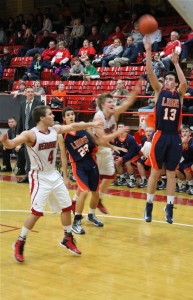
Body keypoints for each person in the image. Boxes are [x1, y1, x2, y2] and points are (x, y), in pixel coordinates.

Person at [0, 105, 103, 262]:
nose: (53, 116)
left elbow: (74, 126)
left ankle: (67, 238)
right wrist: (6, 141)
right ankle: (20, 242)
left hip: (53, 175)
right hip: (39, 177)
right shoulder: (30, 134)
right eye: (50, 114)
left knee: (67, 207)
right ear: (42, 118)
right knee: (36, 212)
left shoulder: (54, 130)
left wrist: (92, 125)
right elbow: (12, 144)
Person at [59, 107, 129, 234]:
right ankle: (77, 221)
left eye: (72, 114)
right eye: (68, 115)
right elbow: (64, 157)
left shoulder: (83, 127)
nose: (71, 116)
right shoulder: (62, 135)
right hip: (78, 165)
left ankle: (91, 215)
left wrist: (112, 146)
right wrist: (65, 176)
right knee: (84, 191)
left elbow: (97, 141)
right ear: (64, 118)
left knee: (96, 193)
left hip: (91, 162)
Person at [143, 37, 187, 224]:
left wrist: (176, 64)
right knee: (155, 172)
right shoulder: (158, 91)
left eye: (171, 80)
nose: (169, 81)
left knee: (171, 173)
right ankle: (149, 205)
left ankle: (169, 206)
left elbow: (184, 83)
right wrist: (148, 51)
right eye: (167, 79)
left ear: (174, 83)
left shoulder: (179, 94)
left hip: (174, 137)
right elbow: (150, 72)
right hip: (160, 135)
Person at [93, 81, 141, 213]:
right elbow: (102, 139)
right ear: (102, 105)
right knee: (90, 184)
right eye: (109, 102)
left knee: (110, 175)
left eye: (113, 101)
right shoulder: (98, 117)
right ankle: (75, 204)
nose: (113, 104)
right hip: (93, 151)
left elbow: (127, 103)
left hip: (106, 149)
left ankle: (98, 200)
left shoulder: (114, 113)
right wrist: (118, 132)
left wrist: (135, 92)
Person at [16, 87, 44, 183]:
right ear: (25, 93)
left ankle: (37, 176)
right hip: (25, 133)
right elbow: (21, 119)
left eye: (32, 92)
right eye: (28, 92)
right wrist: (18, 134)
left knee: (36, 155)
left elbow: (41, 119)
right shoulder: (22, 104)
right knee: (27, 155)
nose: (30, 93)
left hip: (36, 133)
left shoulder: (39, 103)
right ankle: (28, 176)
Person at [113, 123, 141, 187]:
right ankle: (123, 179)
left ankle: (132, 180)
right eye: (119, 127)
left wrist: (123, 158)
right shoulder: (116, 138)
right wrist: (116, 155)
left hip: (135, 154)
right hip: (125, 154)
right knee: (117, 162)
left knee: (127, 162)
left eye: (121, 127)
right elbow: (116, 149)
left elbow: (131, 152)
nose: (120, 129)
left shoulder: (130, 138)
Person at [176, 125, 193, 195]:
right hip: (185, 159)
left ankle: (191, 186)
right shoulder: (179, 140)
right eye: (183, 131)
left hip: (191, 159)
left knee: (187, 168)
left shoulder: (192, 140)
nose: (184, 133)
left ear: (190, 133)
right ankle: (184, 185)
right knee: (176, 169)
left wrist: (186, 145)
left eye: (186, 131)